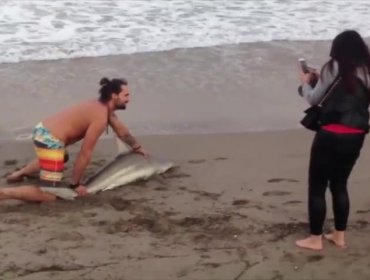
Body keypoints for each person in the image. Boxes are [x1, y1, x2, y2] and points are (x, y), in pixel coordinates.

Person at [1, 77, 148, 202]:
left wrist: (137, 147)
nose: (129, 99)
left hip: (42, 130)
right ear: (114, 96)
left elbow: (122, 131)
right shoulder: (100, 118)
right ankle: (4, 193)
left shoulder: (99, 106)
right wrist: (75, 184)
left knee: (60, 157)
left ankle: (19, 174)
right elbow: (85, 153)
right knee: (50, 194)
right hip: (50, 140)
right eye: (126, 95)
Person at [296, 30, 370, 250]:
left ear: (337, 49)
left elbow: (313, 98)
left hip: (329, 134)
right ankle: (339, 236)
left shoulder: (332, 67)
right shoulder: (367, 71)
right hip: (356, 135)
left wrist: (305, 83)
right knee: (340, 184)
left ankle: (315, 239)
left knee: (317, 186)